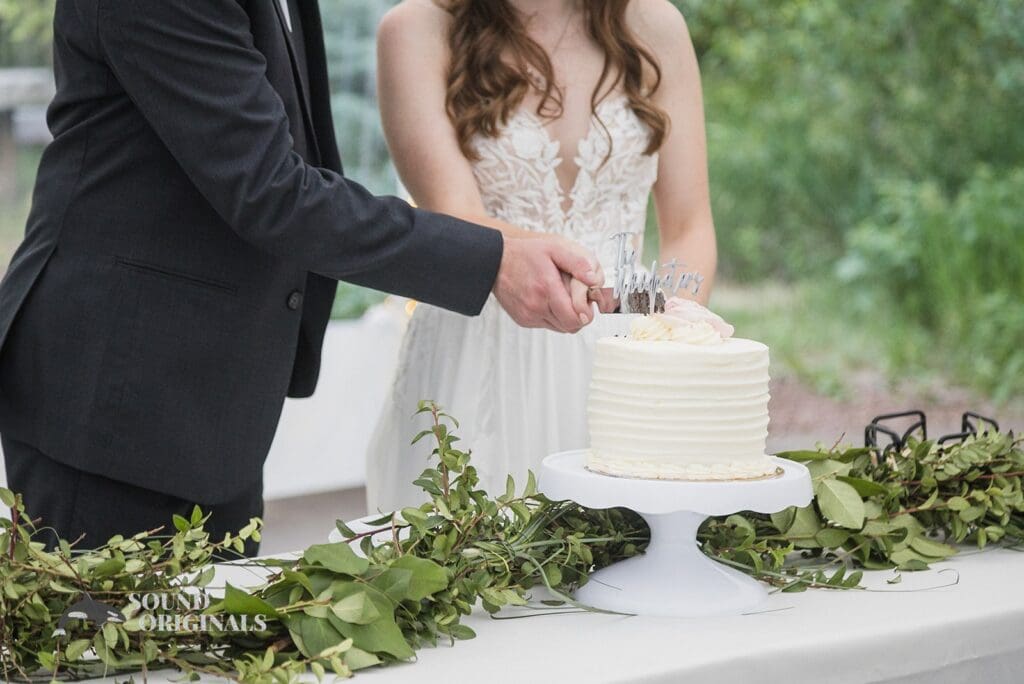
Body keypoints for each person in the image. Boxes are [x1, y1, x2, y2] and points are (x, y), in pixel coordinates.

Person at [0, 0, 603, 555]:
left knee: (212, 630)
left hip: (210, 399)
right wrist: (492, 260)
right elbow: (271, 191)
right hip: (115, 399)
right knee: (110, 635)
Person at [367, 0, 719, 511]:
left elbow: (689, 226)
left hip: (628, 352)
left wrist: (671, 340)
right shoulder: (417, 30)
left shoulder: (653, 24)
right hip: (481, 352)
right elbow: (456, 217)